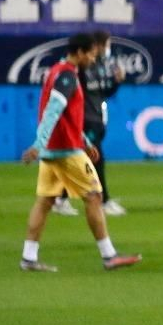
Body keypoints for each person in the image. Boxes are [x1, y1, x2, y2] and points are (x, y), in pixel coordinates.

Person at [19, 33, 141, 273]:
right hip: (64, 151)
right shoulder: (67, 76)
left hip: (58, 148)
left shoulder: (58, 70)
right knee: (94, 196)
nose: (93, 59)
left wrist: (83, 139)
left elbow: (67, 116)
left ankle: (28, 257)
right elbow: (53, 110)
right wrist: (38, 143)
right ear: (80, 52)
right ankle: (109, 255)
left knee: (44, 201)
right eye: (91, 55)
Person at [55, 29, 126, 218]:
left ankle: (60, 199)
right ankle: (103, 201)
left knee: (84, 159)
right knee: (95, 158)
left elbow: (101, 92)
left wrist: (116, 82)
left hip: (96, 118)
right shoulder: (77, 70)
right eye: (107, 44)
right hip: (86, 120)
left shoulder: (97, 67)